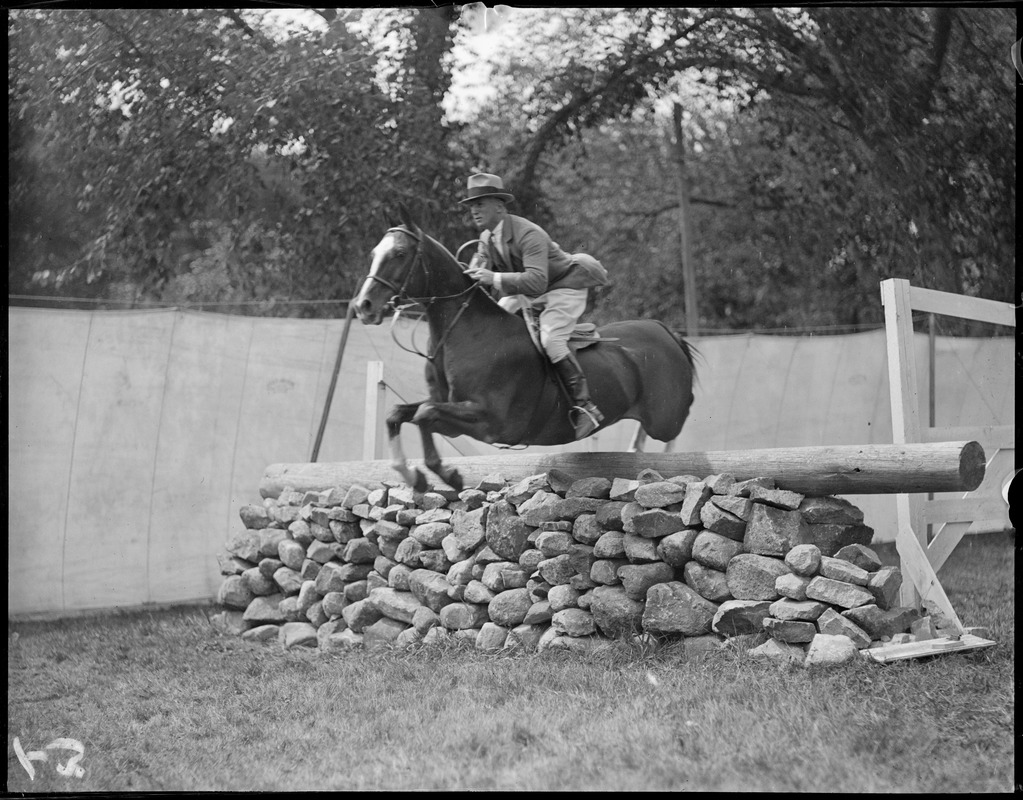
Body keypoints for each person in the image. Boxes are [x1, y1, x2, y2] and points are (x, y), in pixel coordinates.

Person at [460, 172, 609, 440]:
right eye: (472, 204)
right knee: (495, 323)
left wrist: (493, 278)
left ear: (500, 206)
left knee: (551, 340)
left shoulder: (529, 233)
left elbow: (537, 282)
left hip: (564, 287)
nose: (475, 210)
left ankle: (585, 407)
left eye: (480, 203)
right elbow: (478, 274)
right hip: (528, 291)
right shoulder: (486, 238)